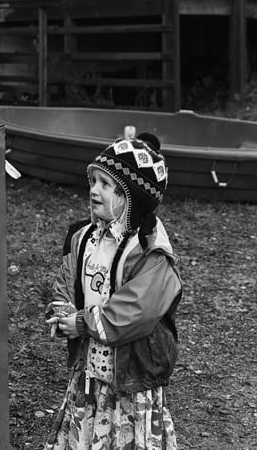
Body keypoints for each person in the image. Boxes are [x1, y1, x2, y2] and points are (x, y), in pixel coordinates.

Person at [44, 131, 182, 449]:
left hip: (134, 372)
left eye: (105, 185)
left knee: (129, 436)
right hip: (91, 367)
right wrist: (61, 310)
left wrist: (81, 322)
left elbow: (135, 312)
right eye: (93, 181)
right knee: (89, 429)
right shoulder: (83, 238)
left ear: (130, 197)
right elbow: (67, 282)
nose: (94, 190)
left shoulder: (150, 251)